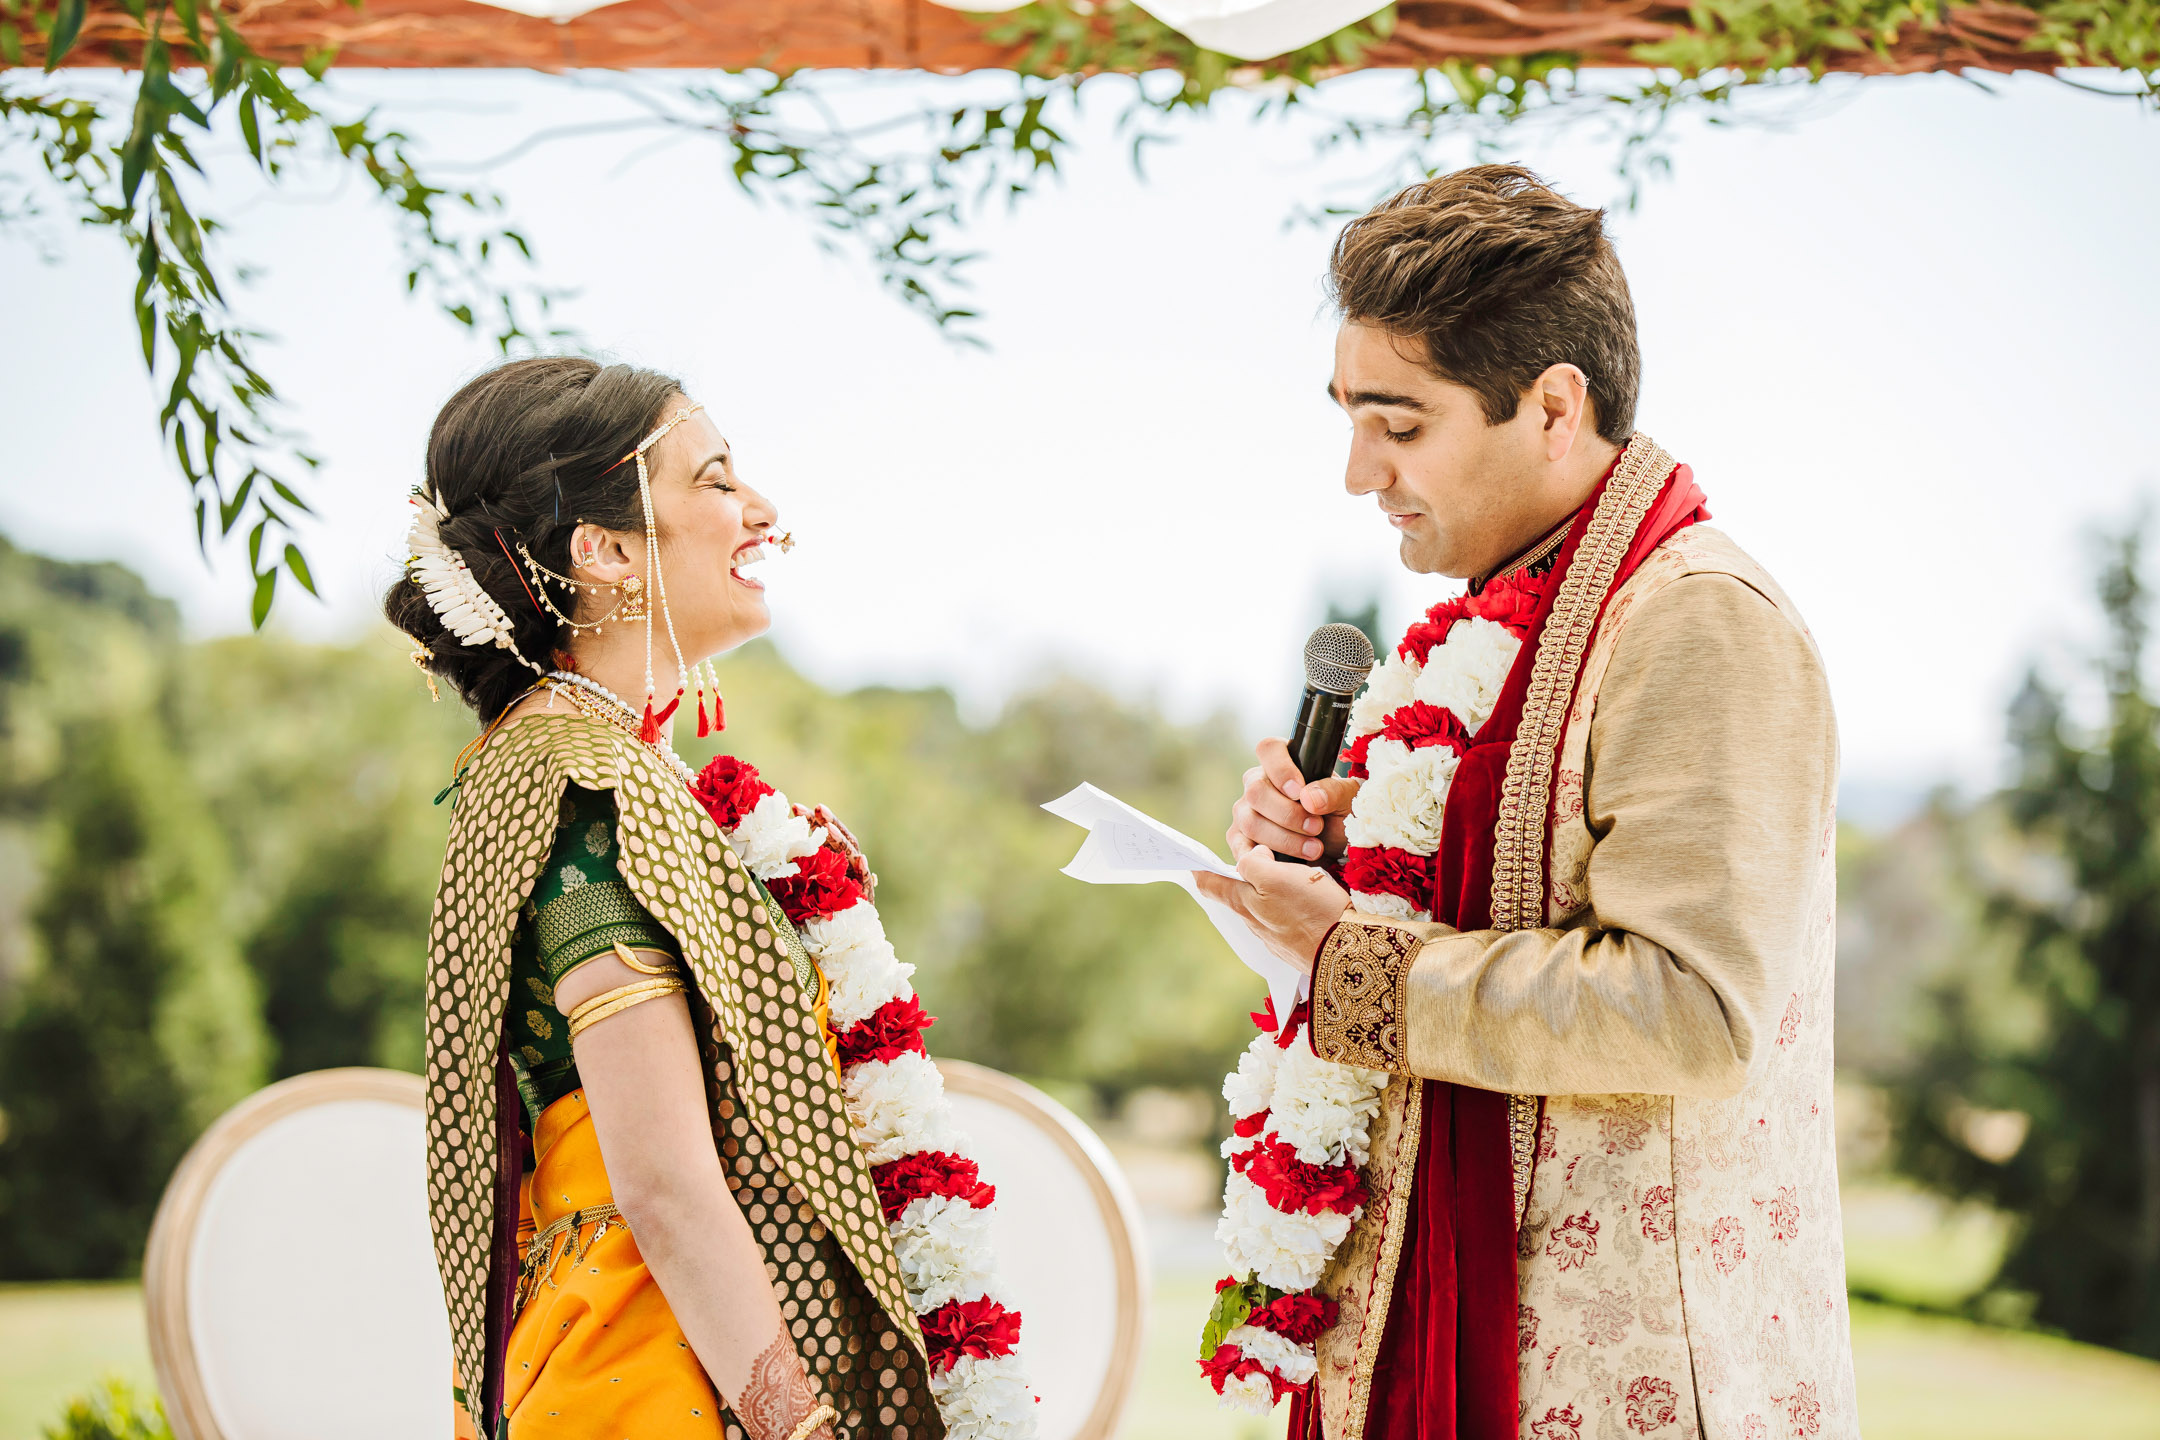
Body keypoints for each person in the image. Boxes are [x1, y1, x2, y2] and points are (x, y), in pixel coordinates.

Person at [1196, 166, 1858, 1440]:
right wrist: (1340, 869)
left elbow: (1692, 1008)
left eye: (1399, 424)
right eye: (1347, 417)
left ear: (1555, 406)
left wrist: (1355, 961)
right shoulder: (1512, 616)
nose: (1355, 471)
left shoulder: (1697, 619)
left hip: (1618, 1385)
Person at [386, 357, 1007, 1440]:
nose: (761, 513)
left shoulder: (623, 771)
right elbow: (665, 1186)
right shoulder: (581, 786)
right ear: (607, 549)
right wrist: (800, 1428)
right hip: (653, 1370)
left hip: (684, 1346)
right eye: (717, 481)